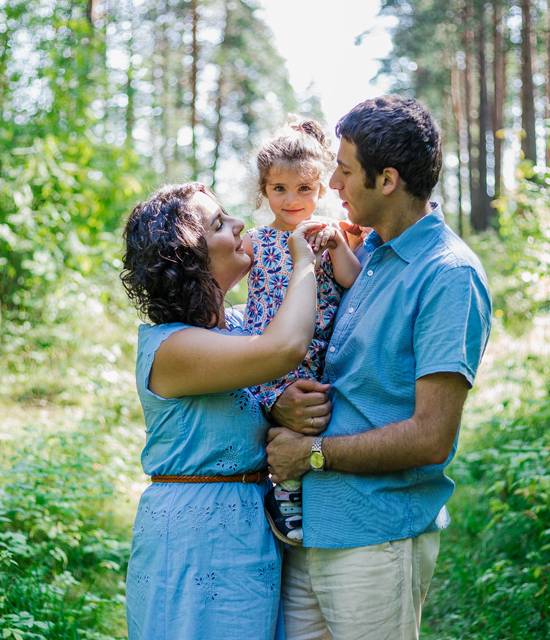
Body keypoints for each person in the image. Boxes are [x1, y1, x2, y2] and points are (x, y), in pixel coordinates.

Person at [265, 95, 493, 640]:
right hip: (310, 531)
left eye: (343, 172)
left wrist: (311, 454)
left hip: (376, 536)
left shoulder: (447, 276)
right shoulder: (368, 258)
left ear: (386, 180)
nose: (333, 185)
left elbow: (432, 436)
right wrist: (282, 402)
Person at [119, 182, 327, 640]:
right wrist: (304, 261)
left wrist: (279, 404)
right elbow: (286, 348)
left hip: (252, 530)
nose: (239, 225)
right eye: (218, 223)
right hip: (191, 540)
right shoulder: (169, 346)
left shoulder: (240, 326)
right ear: (188, 259)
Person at [245, 118, 361, 545]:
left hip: (318, 351)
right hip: (270, 349)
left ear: (321, 190)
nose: (291, 200)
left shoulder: (326, 233)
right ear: (264, 190)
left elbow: (352, 279)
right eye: (279, 190)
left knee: (310, 418)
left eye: (304, 190)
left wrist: (338, 246)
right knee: (277, 418)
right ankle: (284, 495)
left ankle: (301, 495)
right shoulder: (256, 241)